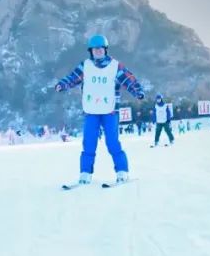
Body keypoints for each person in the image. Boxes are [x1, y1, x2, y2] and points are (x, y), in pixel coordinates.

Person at [55, 34, 145, 185]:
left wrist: (138, 91)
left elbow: (128, 79)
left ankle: (122, 171)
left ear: (105, 50)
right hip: (91, 111)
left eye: (101, 49)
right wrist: (62, 84)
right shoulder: (85, 66)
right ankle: (85, 173)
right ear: (91, 51)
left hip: (110, 111)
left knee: (113, 143)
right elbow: (73, 78)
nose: (98, 51)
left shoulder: (115, 66)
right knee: (88, 144)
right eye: (95, 49)